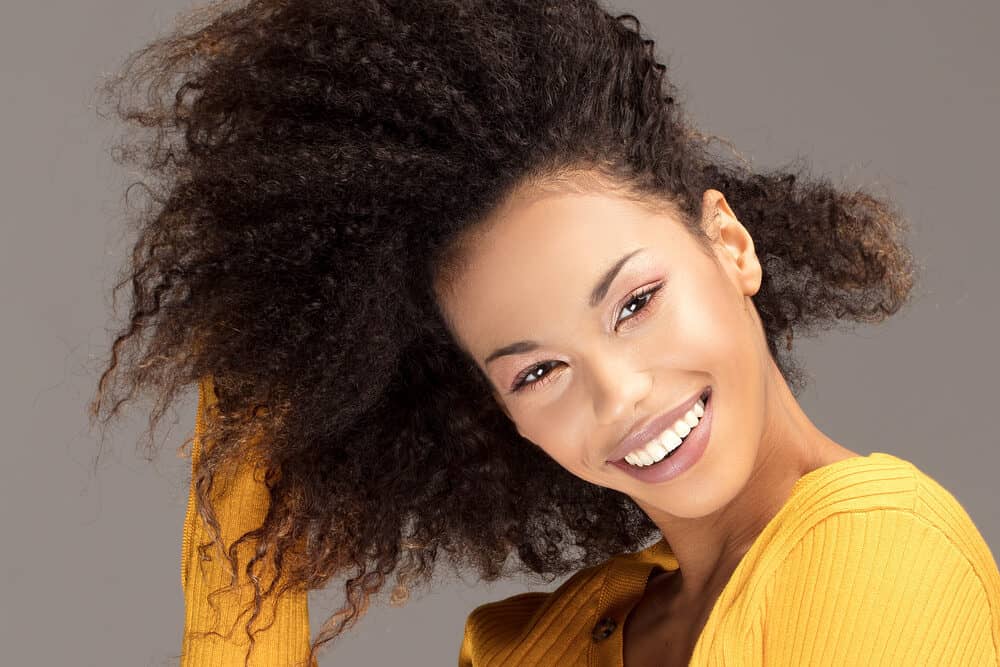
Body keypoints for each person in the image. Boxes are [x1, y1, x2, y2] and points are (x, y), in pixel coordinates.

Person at [89, 0, 1000, 665]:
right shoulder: (535, 645)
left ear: (729, 244)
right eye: (538, 373)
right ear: (499, 412)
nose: (621, 393)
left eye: (635, 303)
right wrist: (251, 465)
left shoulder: (877, 547)